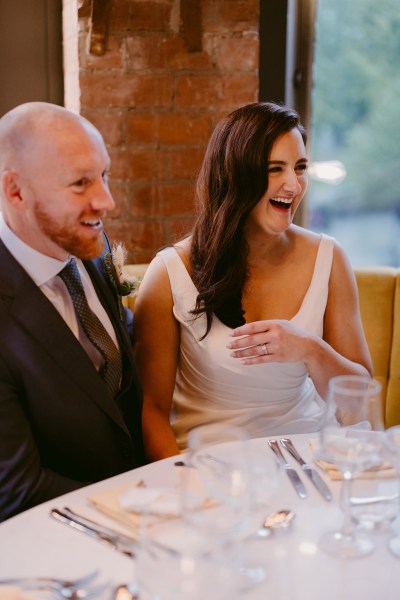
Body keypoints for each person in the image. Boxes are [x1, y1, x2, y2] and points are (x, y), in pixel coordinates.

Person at [133, 101, 373, 461]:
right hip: (211, 470)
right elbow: (151, 411)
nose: (293, 184)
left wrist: (309, 348)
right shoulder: (170, 271)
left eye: (300, 167)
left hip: (310, 459)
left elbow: (359, 395)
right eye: (275, 169)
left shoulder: (329, 256)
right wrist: (179, 483)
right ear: (235, 175)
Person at [0, 102, 145, 521]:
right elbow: (17, 490)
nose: (106, 201)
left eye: (104, 175)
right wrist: (142, 511)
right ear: (15, 191)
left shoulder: (85, 241)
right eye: (80, 183)